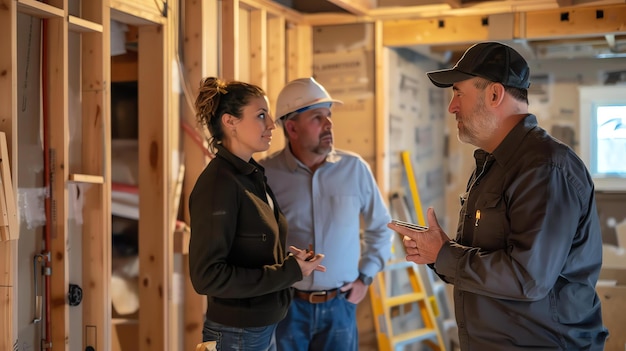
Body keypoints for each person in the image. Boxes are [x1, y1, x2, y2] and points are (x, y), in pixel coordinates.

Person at [389, 42, 609, 350]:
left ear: (494, 94)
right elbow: (485, 262)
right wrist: (436, 252)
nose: (452, 106)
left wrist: (445, 255)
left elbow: (528, 278)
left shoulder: (544, 168)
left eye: (458, 93)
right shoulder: (492, 164)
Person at [188, 77, 326, 351]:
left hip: (258, 329)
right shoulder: (219, 184)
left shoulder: (250, 175)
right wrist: (288, 271)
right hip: (236, 334)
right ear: (230, 122)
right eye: (261, 115)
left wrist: (290, 263)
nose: (271, 124)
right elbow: (207, 276)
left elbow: (249, 251)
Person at [259, 77, 393, 351]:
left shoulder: (354, 169)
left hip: (340, 305)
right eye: (317, 117)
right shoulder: (265, 175)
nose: (329, 124)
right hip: (285, 306)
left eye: (329, 115)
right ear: (292, 128)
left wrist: (365, 277)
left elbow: (381, 227)